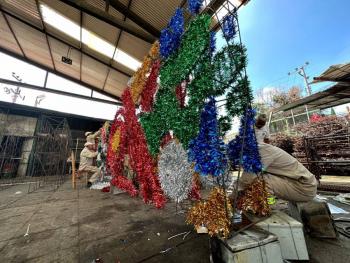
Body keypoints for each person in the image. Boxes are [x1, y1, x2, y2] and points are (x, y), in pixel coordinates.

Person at [239, 143, 317, 202]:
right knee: (257, 179)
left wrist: (232, 198)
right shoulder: (258, 149)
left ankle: (267, 205)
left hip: (303, 187)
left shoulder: (261, 151)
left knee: (259, 180)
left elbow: (247, 179)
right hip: (298, 183)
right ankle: (268, 203)